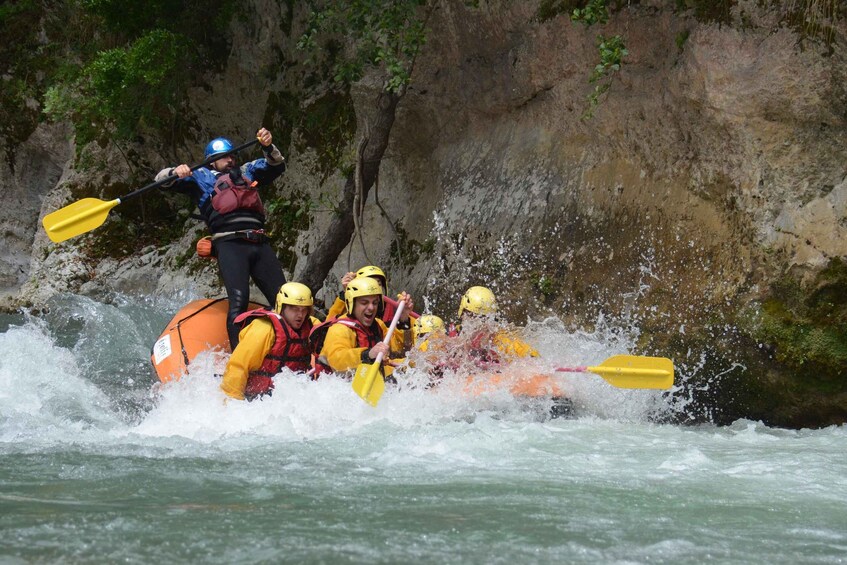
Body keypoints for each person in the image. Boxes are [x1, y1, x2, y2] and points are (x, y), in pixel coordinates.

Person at [155, 128, 287, 347]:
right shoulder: (199, 177)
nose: (229, 159)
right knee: (239, 302)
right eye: (222, 157)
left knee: (284, 300)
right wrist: (174, 171)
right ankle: (239, 358)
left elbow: (276, 165)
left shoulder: (247, 172)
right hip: (230, 244)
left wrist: (267, 146)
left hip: (259, 241)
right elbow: (161, 181)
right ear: (211, 162)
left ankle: (290, 352)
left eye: (230, 155)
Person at [220, 282, 320, 401]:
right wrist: (231, 402)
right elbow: (239, 366)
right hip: (257, 399)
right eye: (294, 309)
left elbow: (334, 341)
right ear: (281, 307)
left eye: (304, 310)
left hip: (290, 397)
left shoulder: (312, 325)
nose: (300, 315)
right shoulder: (264, 328)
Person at [315, 276, 414, 378]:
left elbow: (401, 350)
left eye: (375, 303)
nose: (371, 307)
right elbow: (337, 359)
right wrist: (367, 354)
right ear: (351, 303)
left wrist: (403, 320)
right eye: (364, 303)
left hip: (373, 382)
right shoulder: (339, 329)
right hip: (339, 385)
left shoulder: (378, 325)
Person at [451, 286, 539, 365]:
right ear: (462, 314)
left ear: (491, 319)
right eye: (471, 315)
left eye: (483, 317)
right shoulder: (454, 335)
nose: (477, 322)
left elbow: (536, 360)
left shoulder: (503, 341)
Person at [326, 265, 410, 322]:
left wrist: (404, 320)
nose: (374, 289)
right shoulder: (346, 317)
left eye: (378, 284)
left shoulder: (394, 309)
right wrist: (345, 294)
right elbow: (328, 325)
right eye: (364, 302)